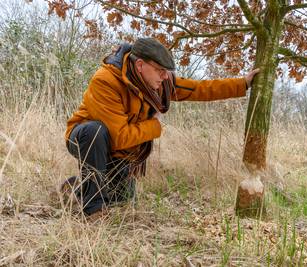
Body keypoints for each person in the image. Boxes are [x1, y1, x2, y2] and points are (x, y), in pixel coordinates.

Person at [60, 38, 259, 220]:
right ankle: (94, 209)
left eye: (167, 71)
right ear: (140, 65)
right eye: (160, 70)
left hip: (121, 153)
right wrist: (153, 126)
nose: (165, 76)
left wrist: (242, 84)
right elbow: (118, 136)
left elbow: (199, 88)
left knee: (122, 201)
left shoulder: (160, 83)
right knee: (95, 132)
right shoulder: (105, 81)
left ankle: (76, 188)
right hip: (86, 139)